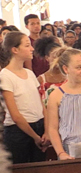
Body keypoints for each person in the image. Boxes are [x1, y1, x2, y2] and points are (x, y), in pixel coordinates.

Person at [0, 32, 48, 163]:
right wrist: (35, 137)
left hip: (39, 126)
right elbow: (15, 115)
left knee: (40, 170)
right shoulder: (5, 76)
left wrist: (46, 131)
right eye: (27, 45)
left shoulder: (29, 73)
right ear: (15, 50)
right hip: (18, 132)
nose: (32, 48)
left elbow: (41, 104)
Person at [34, 37, 65, 105]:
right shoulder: (40, 80)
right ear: (47, 58)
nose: (57, 59)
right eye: (54, 56)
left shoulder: (70, 76)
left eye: (60, 55)